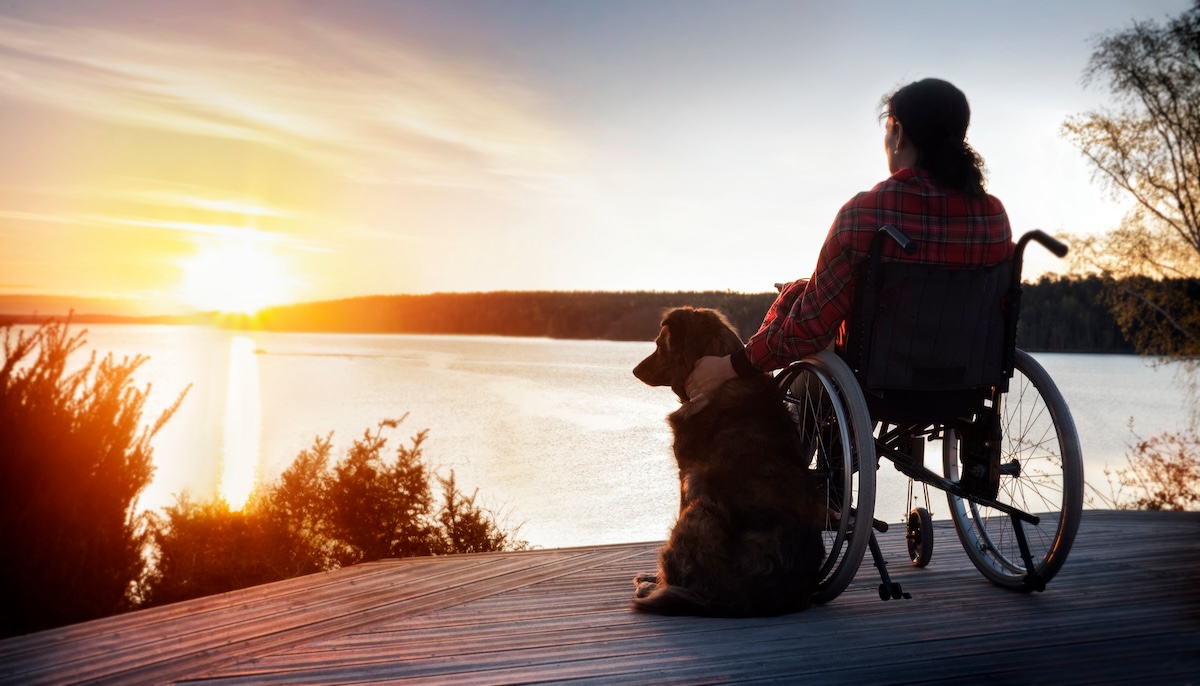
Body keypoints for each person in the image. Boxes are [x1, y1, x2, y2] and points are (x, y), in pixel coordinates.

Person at [686, 78, 1014, 401]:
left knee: (805, 299)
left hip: (876, 385)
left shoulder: (866, 213)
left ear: (898, 133)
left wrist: (732, 366)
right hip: (966, 381)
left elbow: (810, 327)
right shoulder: (993, 216)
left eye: (888, 128)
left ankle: (799, 433)